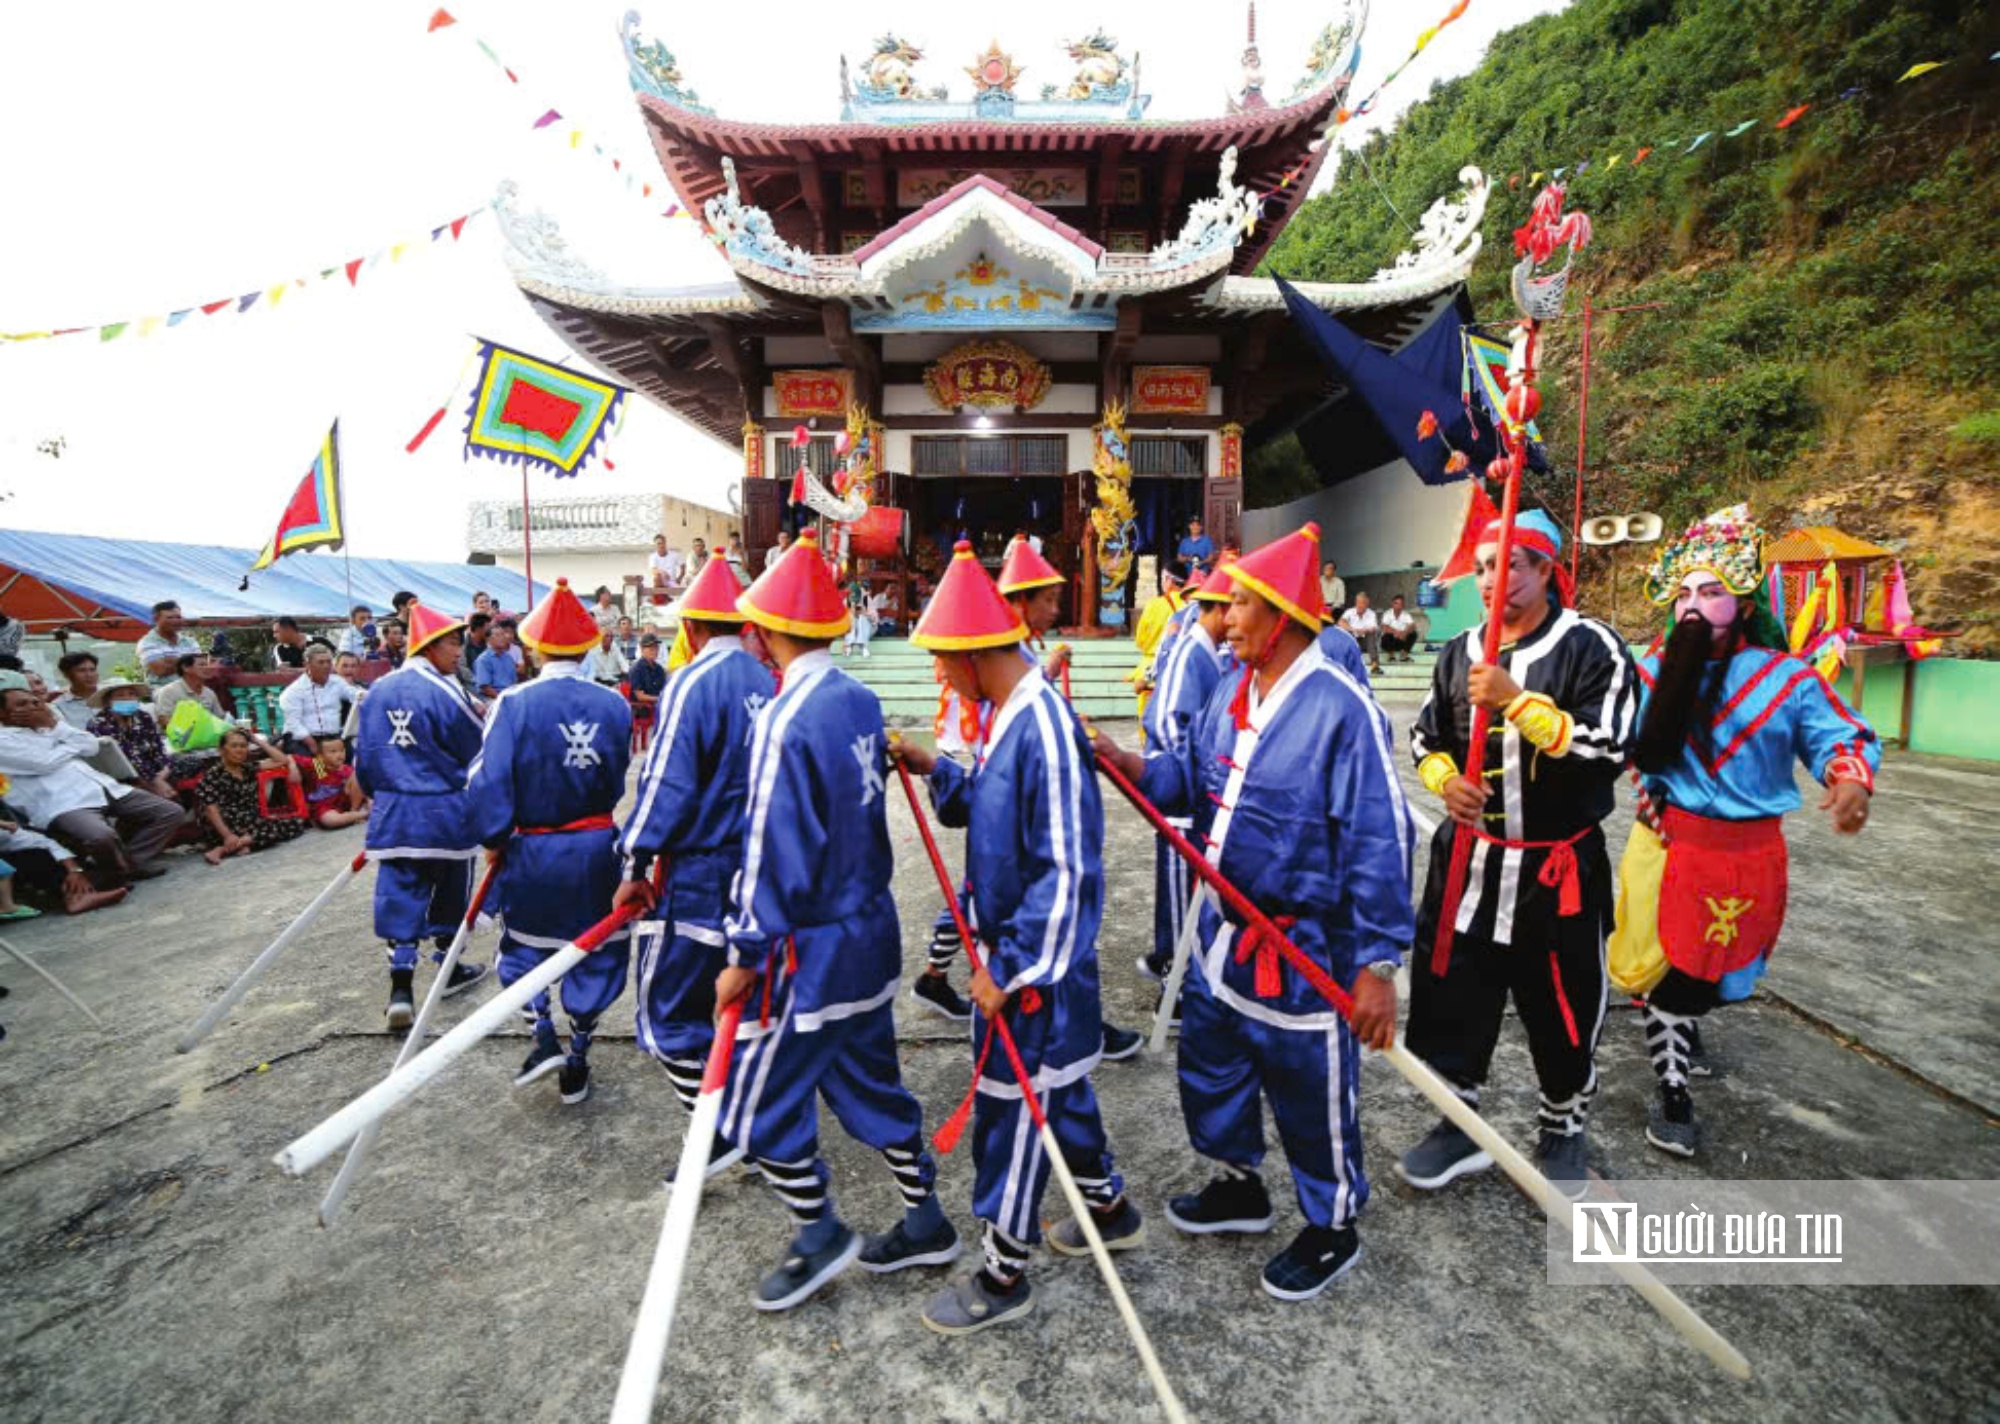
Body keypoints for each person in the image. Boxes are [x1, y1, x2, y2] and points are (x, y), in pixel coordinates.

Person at [1092, 522, 1412, 1301]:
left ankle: (1333, 1223)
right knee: (1212, 1063)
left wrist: (1376, 966)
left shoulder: (1341, 711)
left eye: (1237, 604)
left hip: (1304, 945)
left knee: (1308, 1089)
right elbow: (1191, 781)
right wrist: (1125, 761)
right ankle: (1239, 1183)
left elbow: (1381, 837)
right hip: (1225, 931)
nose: (1224, 618)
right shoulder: (1233, 691)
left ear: (1280, 614)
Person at [893, 542, 1137, 1332]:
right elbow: (996, 808)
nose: (936, 673)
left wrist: (1017, 968)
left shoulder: (1042, 723)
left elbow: (1069, 871)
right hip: (1026, 957)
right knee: (1061, 1091)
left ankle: (1003, 1273)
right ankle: (1109, 1206)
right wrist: (937, 768)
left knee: (1017, 1111)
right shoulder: (1008, 716)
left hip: (1039, 965)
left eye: (939, 659)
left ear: (971, 653)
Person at [710, 530, 950, 1312]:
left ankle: (817, 1233)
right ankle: (926, 1217)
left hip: (809, 949)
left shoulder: (786, 717)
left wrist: (744, 946)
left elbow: (772, 841)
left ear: (764, 631)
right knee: (872, 1082)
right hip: (870, 933)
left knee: (760, 1102)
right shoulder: (858, 699)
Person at [1610, 505, 1877, 1158]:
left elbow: (1840, 736)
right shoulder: (1650, 670)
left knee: (1727, 972)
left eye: (1711, 591)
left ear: (1744, 600)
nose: (1693, 605)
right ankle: (1672, 1093)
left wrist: (1848, 781)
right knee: (1668, 975)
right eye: (1684, 594)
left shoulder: (1789, 679)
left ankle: (1684, 1025)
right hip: (1671, 846)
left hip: (1752, 853)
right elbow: (1614, 737)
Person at [1402, 510, 1639, 1198]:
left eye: (1510, 565)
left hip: (1554, 870)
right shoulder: (1458, 651)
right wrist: (1446, 782)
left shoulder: (1591, 648)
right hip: (1469, 863)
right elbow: (1425, 737)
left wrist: (1517, 702)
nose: (1491, 580)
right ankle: (1457, 1122)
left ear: (1545, 571)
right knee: (1452, 995)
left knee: (1562, 1002)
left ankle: (1562, 1127)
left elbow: (1610, 746)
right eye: (1480, 567)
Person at [612, 555, 776, 1168]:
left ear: (694, 627)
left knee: (670, 1016)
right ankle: (744, 1120)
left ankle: (716, 1136)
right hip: (758, 875)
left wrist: (632, 864)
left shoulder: (693, 679)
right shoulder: (766, 681)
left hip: (701, 871)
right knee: (738, 1003)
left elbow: (665, 784)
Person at [466, 579, 633, 1104]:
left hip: (535, 850)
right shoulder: (615, 704)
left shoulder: (513, 703)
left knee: (526, 946)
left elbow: (487, 781)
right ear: (587, 646)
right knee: (595, 952)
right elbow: (621, 770)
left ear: (535, 647)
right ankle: (577, 1055)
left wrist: (493, 837)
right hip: (597, 845)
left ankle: (542, 1034)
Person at [353, 603, 490, 1029]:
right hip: (445, 814)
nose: (459, 653)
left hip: (394, 815)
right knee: (450, 895)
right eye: (452, 643)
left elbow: (365, 761)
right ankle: (449, 972)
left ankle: (401, 989)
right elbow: (477, 752)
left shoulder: (376, 690)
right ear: (429, 645)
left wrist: (384, 795)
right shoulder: (447, 691)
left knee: (399, 898)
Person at [1131, 563, 1231, 996]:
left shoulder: (1209, 650)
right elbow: (1172, 724)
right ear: (1219, 610)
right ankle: (1175, 983)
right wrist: (1197, 783)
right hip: (1180, 791)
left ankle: (1177, 967)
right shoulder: (1192, 651)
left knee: (1189, 888)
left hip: (1192, 788)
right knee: (1177, 890)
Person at [0, 671, 184, 886]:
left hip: (99, 786)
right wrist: (69, 746)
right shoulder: (4, 740)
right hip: (61, 802)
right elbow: (43, 762)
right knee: (100, 836)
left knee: (170, 812)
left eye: (35, 702)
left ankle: (127, 865)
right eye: (22, 705)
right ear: (2, 713)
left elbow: (91, 746)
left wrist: (54, 726)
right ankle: (114, 875)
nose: (34, 707)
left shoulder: (49, 725)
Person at [196, 728, 308, 864]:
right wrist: (227, 835)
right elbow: (211, 811)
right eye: (234, 746)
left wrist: (257, 741)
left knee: (297, 823)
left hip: (249, 820)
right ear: (221, 750)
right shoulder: (212, 776)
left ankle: (231, 847)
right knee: (270, 831)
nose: (239, 750)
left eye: (243, 746)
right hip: (224, 824)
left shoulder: (248, 768)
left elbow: (282, 760)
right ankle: (232, 845)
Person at [87, 677, 198, 799]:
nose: (127, 698)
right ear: (107, 702)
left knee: (191, 762)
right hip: (126, 776)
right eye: (120, 696)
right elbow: (126, 759)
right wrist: (153, 781)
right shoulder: (99, 724)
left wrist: (161, 775)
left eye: (131, 694)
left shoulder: (143, 717)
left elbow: (158, 748)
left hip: (156, 770)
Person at [1129, 562, 1188, 722]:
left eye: (1163, 578)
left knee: (1147, 719)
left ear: (1169, 580)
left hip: (1151, 665)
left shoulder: (1155, 605)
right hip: (1180, 668)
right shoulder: (1190, 605)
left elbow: (1141, 639)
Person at [277, 644, 355, 755]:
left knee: (351, 755)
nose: (326, 666)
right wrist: (312, 744)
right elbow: (293, 723)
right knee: (316, 767)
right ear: (307, 665)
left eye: (329, 662)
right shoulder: (294, 691)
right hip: (303, 738)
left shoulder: (337, 682)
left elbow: (355, 695)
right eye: (321, 662)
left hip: (332, 737)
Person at [300, 733, 369, 829]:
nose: (339, 755)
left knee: (359, 774)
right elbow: (290, 758)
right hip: (325, 806)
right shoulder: (319, 766)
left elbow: (358, 787)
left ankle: (354, 812)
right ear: (321, 756)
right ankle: (362, 815)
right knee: (332, 820)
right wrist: (291, 765)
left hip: (348, 802)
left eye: (341, 750)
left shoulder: (347, 769)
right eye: (333, 752)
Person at [136, 601, 205, 685]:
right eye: (170, 618)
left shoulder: (190, 641)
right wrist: (189, 662)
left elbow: (201, 667)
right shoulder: (147, 642)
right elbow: (161, 670)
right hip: (162, 690)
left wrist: (172, 661)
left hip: (192, 688)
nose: (175, 621)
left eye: (178, 617)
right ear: (156, 619)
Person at [152, 654, 228, 728]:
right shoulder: (169, 691)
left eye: (208, 665)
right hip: (179, 737)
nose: (208, 668)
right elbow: (164, 720)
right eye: (202, 665)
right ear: (186, 668)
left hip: (208, 736)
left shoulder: (209, 693)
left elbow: (220, 718)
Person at [626, 632, 666, 722]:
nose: (655, 650)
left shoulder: (660, 669)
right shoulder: (636, 669)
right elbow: (640, 696)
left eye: (656, 647)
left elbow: (664, 690)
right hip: (641, 709)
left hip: (658, 706)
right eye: (651, 648)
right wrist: (660, 699)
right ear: (642, 649)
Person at [53, 652, 100, 729]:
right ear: (66, 674)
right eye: (82, 670)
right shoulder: (58, 706)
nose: (89, 675)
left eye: (92, 670)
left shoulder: (111, 696)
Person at [1339, 591, 1382, 674]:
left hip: (1366, 643)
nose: (1360, 605)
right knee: (1346, 633)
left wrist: (1363, 630)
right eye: (1358, 602)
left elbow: (1373, 628)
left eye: (1362, 603)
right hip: (1353, 641)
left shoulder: (1371, 614)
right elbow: (1341, 622)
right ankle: (1345, 664)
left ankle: (1374, 665)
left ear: (1367, 603)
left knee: (1370, 635)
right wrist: (1352, 629)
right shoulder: (1350, 612)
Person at [474, 620, 518, 700]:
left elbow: (513, 682)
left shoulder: (508, 658)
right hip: (492, 698)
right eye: (497, 635)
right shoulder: (483, 660)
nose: (502, 637)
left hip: (509, 695)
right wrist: (502, 699)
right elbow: (485, 688)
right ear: (488, 640)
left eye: (503, 634)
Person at [1380, 595, 1418, 662]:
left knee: (1413, 634)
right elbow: (1384, 627)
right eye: (1396, 603)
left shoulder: (1406, 614)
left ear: (1403, 606)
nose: (1398, 606)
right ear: (1392, 604)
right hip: (1390, 642)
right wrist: (1395, 632)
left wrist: (1405, 633)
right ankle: (1391, 656)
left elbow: (1413, 625)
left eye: (1401, 604)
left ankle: (1404, 656)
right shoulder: (1387, 613)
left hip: (1401, 640)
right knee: (1387, 636)